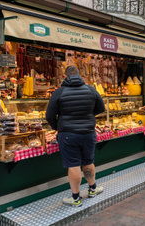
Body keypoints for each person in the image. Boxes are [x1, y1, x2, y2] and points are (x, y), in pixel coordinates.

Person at [46, 66, 105, 207]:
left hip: (68, 135)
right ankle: (92, 189)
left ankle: (76, 198)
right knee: (88, 161)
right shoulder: (91, 89)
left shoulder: (59, 92)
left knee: (73, 165)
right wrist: (88, 116)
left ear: (65, 76)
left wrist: (57, 127)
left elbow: (49, 116)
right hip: (88, 133)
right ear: (79, 75)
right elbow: (101, 108)